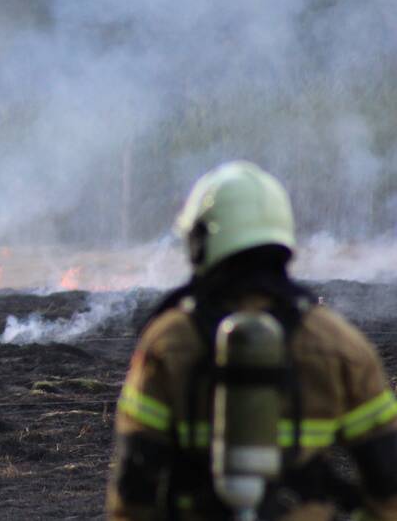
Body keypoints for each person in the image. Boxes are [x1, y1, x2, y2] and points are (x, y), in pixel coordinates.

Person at [107, 161, 397, 520]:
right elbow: (388, 482)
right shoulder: (339, 344)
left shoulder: (168, 340)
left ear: (202, 242)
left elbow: (132, 492)